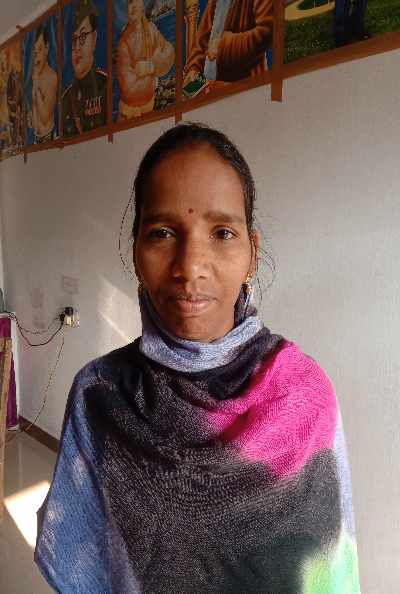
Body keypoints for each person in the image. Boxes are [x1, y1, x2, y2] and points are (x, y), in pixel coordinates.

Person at [35, 122, 361, 593]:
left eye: (222, 232)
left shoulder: (303, 395)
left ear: (252, 254)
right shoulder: (100, 396)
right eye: (163, 232)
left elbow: (327, 572)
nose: (190, 266)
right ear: (136, 249)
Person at [184, 0, 273, 91]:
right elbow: (201, 42)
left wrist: (222, 45)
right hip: (211, 88)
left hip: (246, 87)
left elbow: (267, 32)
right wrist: (193, 68)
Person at [116, 0, 174, 120]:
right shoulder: (125, 40)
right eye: (129, 3)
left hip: (150, 107)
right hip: (128, 115)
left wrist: (152, 67)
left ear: (142, 5)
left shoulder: (151, 29)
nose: (132, 7)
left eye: (135, 2)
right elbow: (127, 87)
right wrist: (151, 73)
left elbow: (169, 52)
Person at [62, 0, 107, 137]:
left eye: (82, 36)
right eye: (73, 39)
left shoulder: (107, 86)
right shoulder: (66, 99)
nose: (76, 47)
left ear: (94, 39)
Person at [30, 24, 58, 144]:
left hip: (48, 139)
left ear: (47, 48)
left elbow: (45, 117)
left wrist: (36, 88)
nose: (37, 56)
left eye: (40, 49)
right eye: (34, 51)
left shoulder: (52, 77)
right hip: (36, 140)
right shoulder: (35, 74)